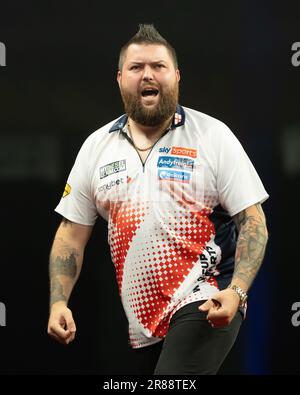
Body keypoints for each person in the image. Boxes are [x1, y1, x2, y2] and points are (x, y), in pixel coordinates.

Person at [47, 24, 269, 375]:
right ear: (120, 79)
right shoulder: (96, 147)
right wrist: (59, 301)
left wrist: (237, 292)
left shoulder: (213, 136)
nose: (147, 74)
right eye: (136, 68)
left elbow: (253, 222)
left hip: (206, 297)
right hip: (140, 321)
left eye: (158, 66)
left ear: (177, 76)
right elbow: (71, 234)